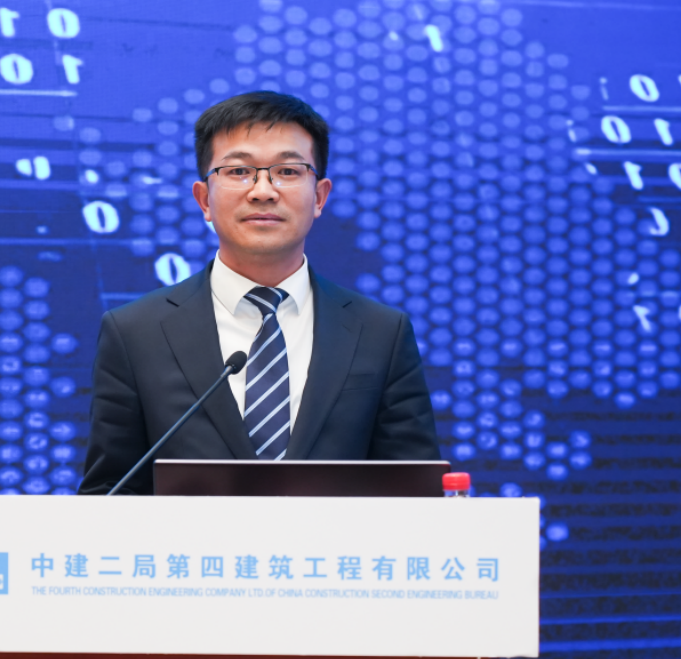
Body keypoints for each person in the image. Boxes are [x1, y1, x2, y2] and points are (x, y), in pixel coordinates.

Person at [78, 91, 440, 495]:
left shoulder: (380, 333)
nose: (263, 191)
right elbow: (110, 492)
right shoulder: (135, 333)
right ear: (204, 199)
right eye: (238, 171)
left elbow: (417, 494)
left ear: (319, 196)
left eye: (287, 171)